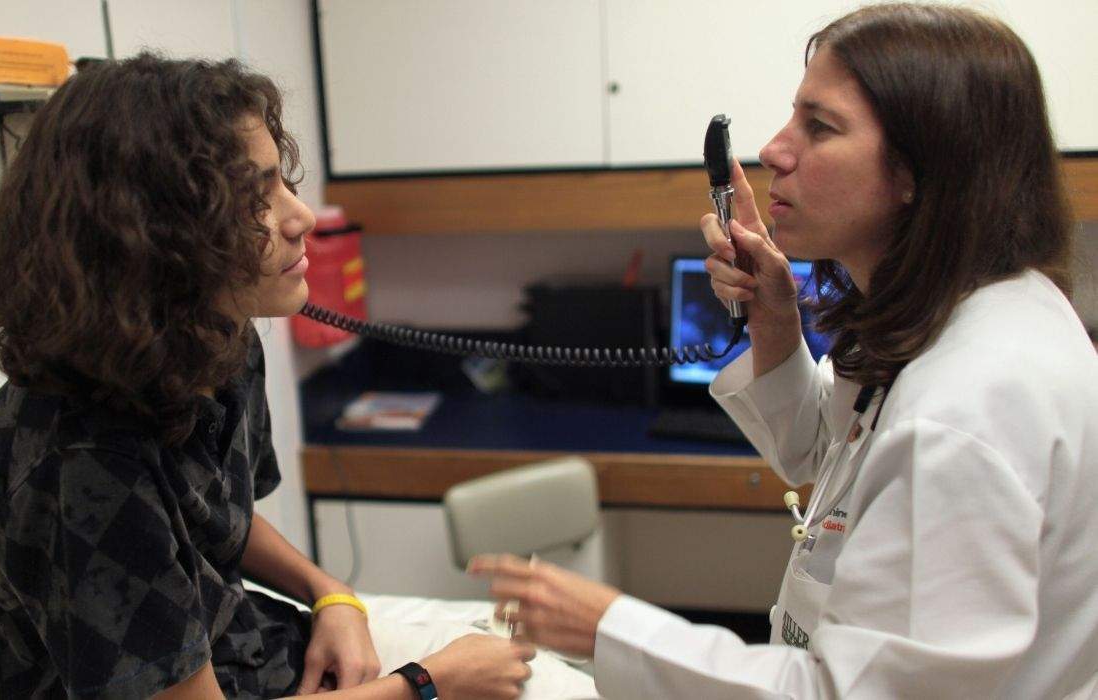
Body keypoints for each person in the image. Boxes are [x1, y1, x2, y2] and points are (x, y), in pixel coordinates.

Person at [470, 4, 1098, 698]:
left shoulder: (965, 407)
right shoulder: (975, 309)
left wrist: (610, 628)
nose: (773, 149)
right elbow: (826, 458)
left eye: (819, 127)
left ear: (921, 169)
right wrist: (774, 320)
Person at [0, 53, 585, 699]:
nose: (301, 217)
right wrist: (426, 684)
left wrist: (333, 595)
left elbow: (212, 519)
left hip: (236, 649)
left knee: (539, 678)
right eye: (252, 198)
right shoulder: (85, 461)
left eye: (282, 181)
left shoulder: (212, 338)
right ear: (145, 236)